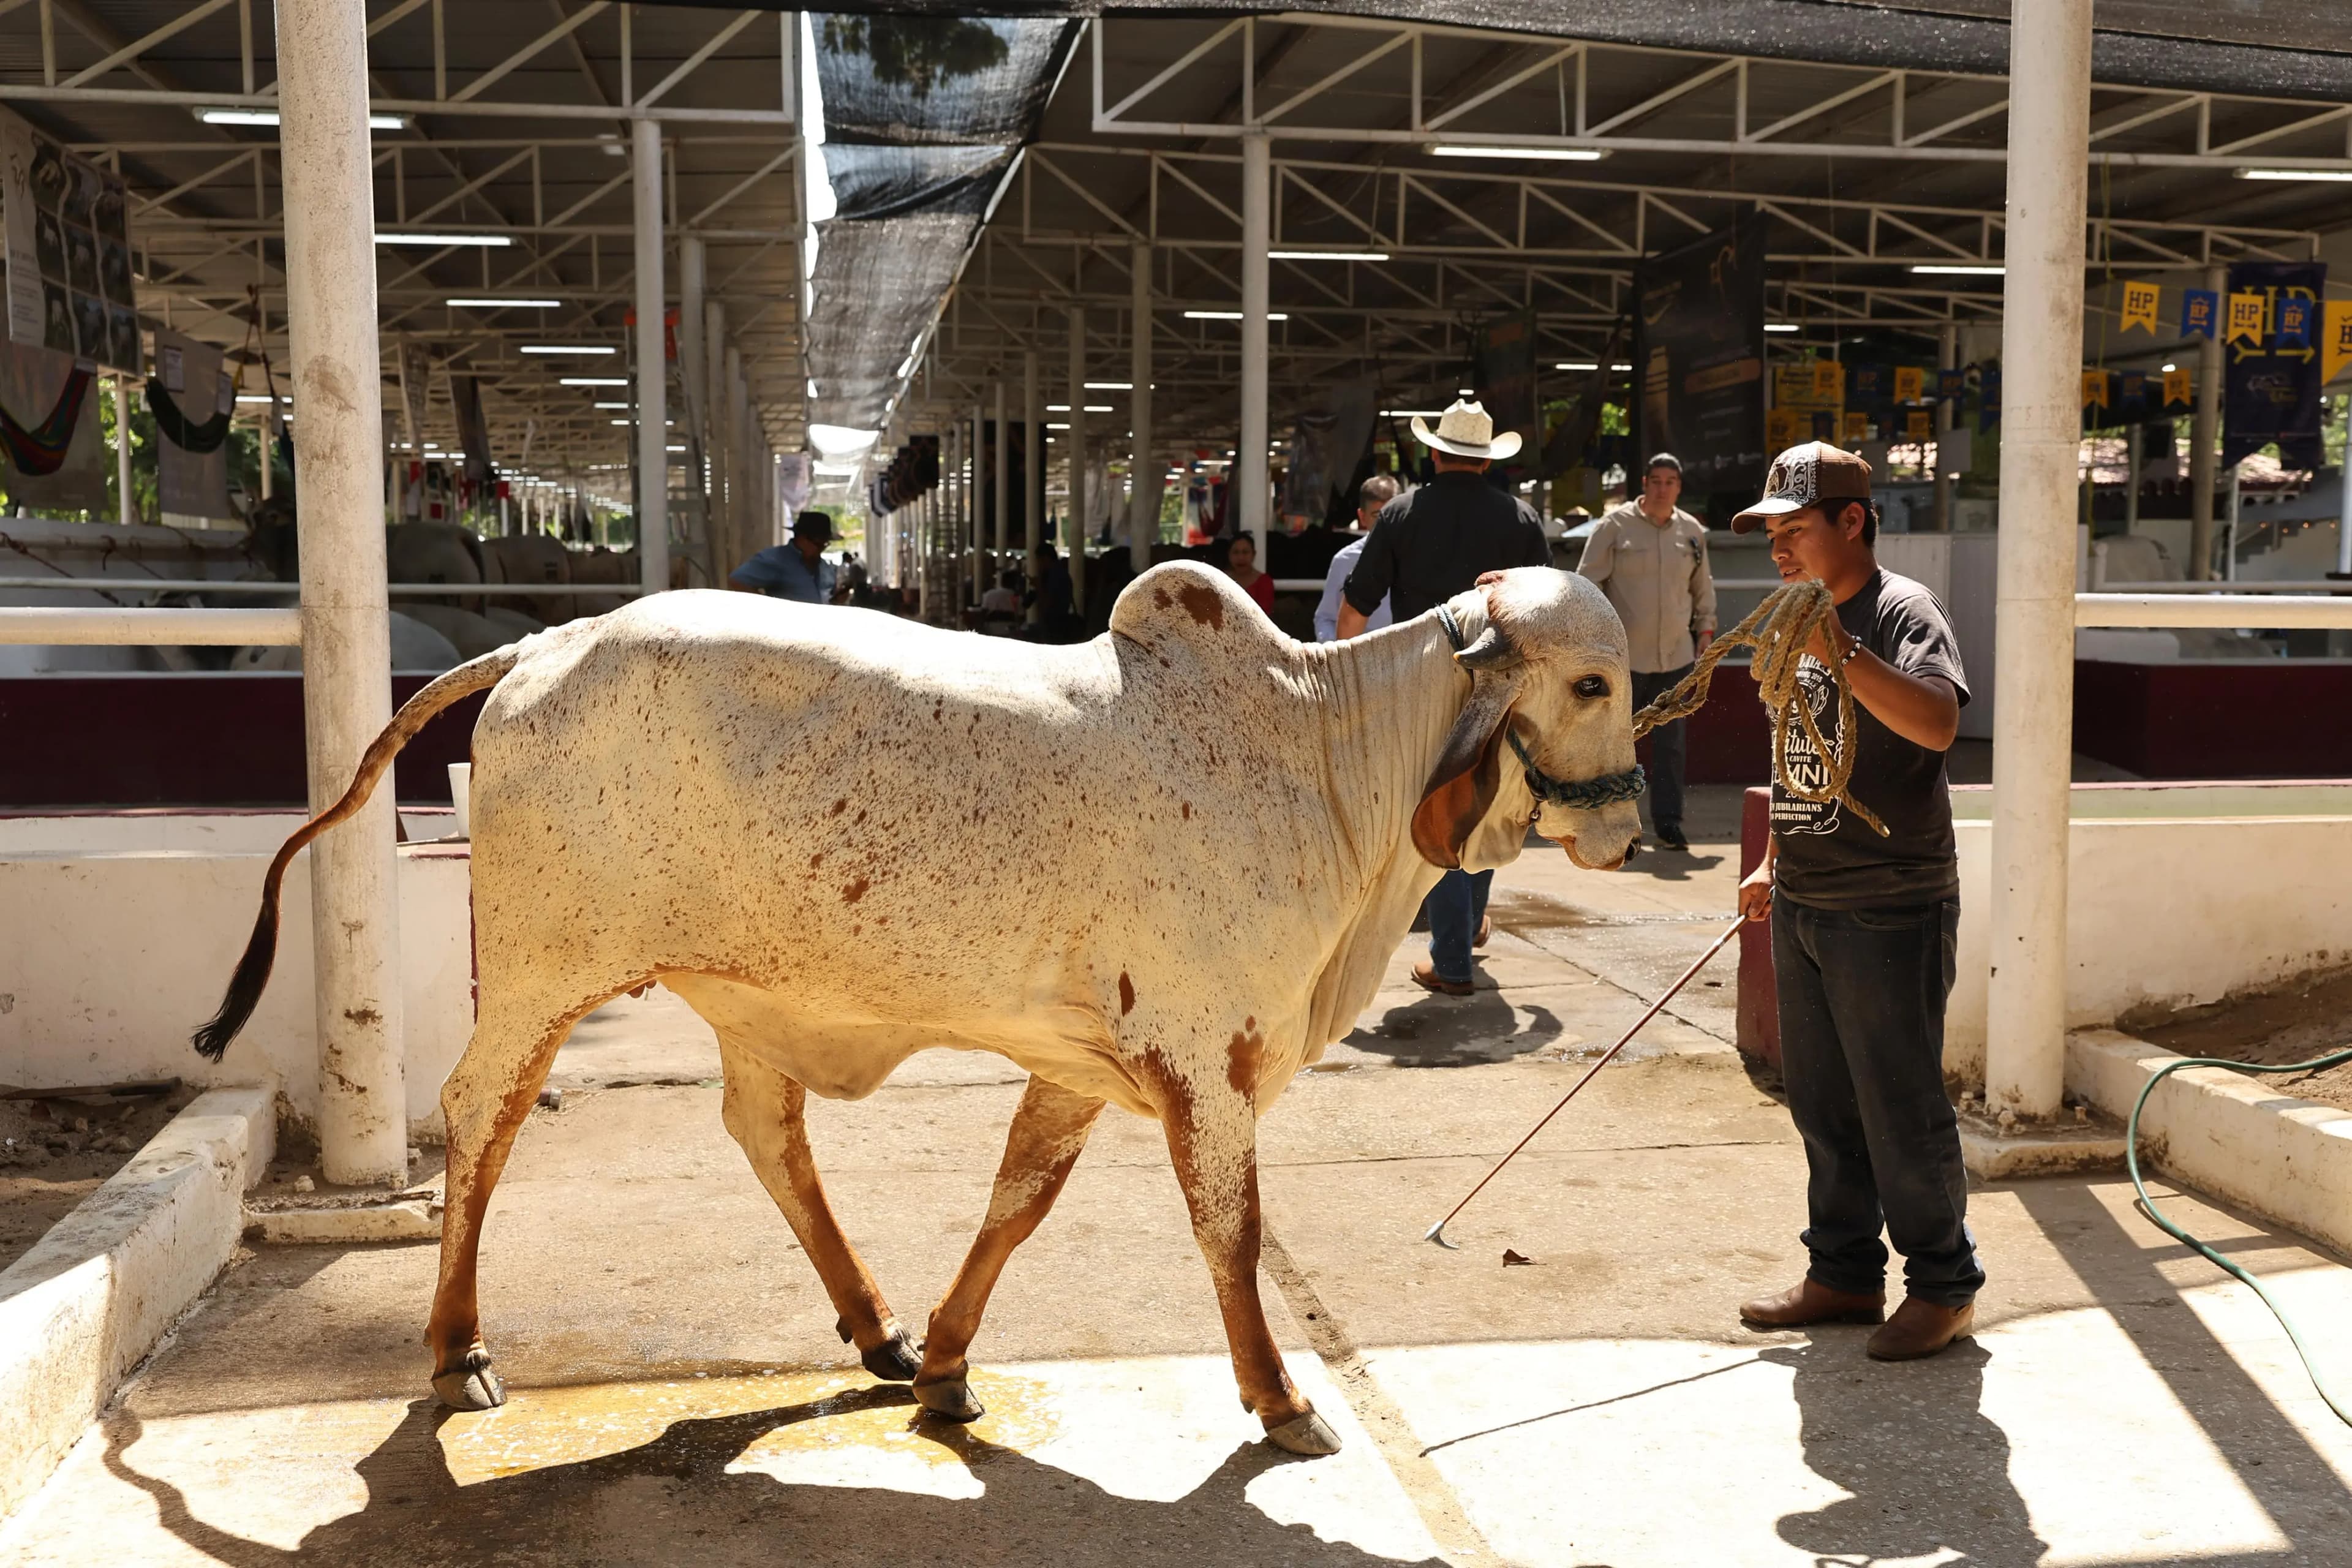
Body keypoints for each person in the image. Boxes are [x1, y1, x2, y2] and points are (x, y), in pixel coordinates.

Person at [1729, 441, 1980, 1362]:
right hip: (1807, 895)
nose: (1780, 549)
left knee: (1899, 1105)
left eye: (1796, 529)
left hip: (1890, 901)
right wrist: (1771, 860)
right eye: (1772, 534)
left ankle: (1945, 1286)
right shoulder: (1800, 619)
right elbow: (1798, 747)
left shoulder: (1902, 610)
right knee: (1823, 1104)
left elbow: (1938, 722)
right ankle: (1842, 1271)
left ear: (1852, 521)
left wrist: (1842, 651)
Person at [1338, 399, 1550, 998]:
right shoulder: (1521, 518)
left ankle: (1453, 957)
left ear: (1434, 454)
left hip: (1424, 685)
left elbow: (1356, 607)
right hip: (1504, 683)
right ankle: (1466, 929)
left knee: (1443, 809)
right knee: (1485, 803)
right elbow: (1549, 606)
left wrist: (1345, 682)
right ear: (1486, 461)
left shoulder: (1400, 513)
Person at [1576, 452, 1717, 851]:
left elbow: (1702, 585)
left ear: (1679, 487)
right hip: (1623, 659)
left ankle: (1669, 823)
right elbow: (1586, 584)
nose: (1662, 489)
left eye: (1670, 482)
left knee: (1671, 745)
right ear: (1644, 483)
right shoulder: (1614, 526)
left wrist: (1706, 629)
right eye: (1656, 481)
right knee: (1615, 743)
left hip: (1676, 656)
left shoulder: (1691, 531)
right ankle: (1609, 821)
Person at [1314, 473, 1401, 641]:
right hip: (1360, 654)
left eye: (1392, 514)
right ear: (1362, 517)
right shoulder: (1344, 560)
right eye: (1378, 516)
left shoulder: (1418, 555)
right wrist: (1339, 651)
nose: (1387, 523)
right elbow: (1326, 619)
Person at [729, 511, 842, 603]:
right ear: (802, 539)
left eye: (825, 544)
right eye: (818, 544)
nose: (821, 549)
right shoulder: (775, 559)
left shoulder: (823, 566)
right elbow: (738, 581)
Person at [1222, 532, 1276, 616]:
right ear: (1229, 555)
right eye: (1236, 552)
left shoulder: (1264, 582)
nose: (1241, 557)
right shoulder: (1222, 580)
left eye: (1245, 552)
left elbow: (1263, 615)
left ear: (1253, 554)